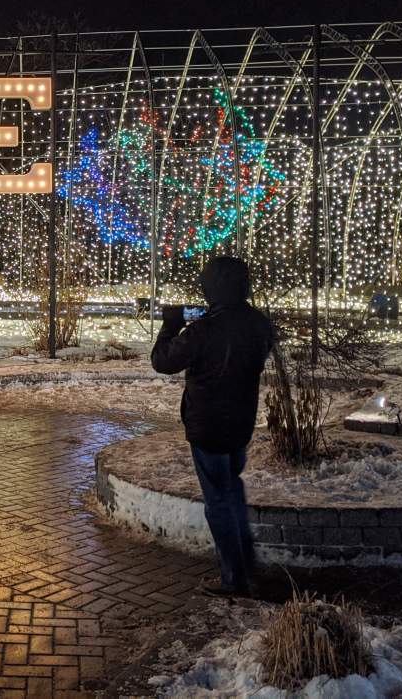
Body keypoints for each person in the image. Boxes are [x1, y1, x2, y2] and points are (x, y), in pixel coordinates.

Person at [150, 256, 274, 598]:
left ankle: (234, 579)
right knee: (232, 488)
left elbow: (163, 361)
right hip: (240, 423)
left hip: (209, 426)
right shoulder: (258, 324)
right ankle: (245, 563)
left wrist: (170, 325)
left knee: (218, 499)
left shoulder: (204, 330)